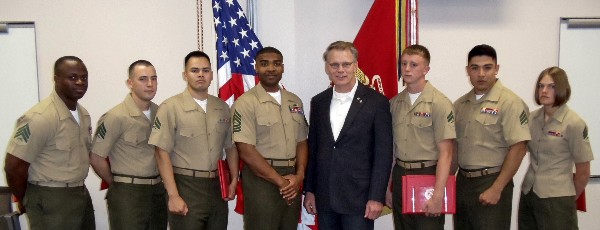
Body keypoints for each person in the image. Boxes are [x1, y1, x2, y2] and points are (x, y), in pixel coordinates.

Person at [303, 41, 393, 230]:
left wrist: (376, 197)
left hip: (359, 199)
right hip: (325, 196)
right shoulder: (319, 102)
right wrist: (310, 190)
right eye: (334, 65)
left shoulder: (377, 102)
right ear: (327, 67)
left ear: (356, 66)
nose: (340, 70)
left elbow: (383, 155)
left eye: (346, 64)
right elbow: (314, 149)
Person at [148, 51, 238, 230]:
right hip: (185, 185)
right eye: (194, 70)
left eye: (205, 70)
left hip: (216, 187)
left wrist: (234, 180)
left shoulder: (221, 107)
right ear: (185, 75)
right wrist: (173, 196)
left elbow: (231, 147)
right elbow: (161, 152)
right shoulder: (171, 107)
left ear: (211, 75)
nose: (200, 75)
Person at [4, 56, 95, 230]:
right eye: (73, 77)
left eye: (84, 77)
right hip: (50, 197)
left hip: (79, 194)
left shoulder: (83, 115)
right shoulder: (40, 118)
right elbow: (14, 166)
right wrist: (25, 199)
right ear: (56, 79)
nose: (80, 82)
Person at [453, 44, 531, 230]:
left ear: (496, 69)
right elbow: (455, 148)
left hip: (492, 180)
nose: (481, 74)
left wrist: (497, 188)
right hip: (463, 182)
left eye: (487, 67)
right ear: (467, 71)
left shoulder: (510, 102)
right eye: (475, 68)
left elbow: (519, 148)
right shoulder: (460, 105)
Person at [231, 47, 308, 230]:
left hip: (291, 177)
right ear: (256, 67)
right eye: (264, 64)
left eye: (276, 64)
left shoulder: (294, 101)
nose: (271, 69)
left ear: (283, 67)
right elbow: (246, 151)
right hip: (262, 179)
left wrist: (299, 176)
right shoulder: (245, 103)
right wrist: (281, 182)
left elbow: (302, 141)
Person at [89, 60, 167, 229]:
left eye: (153, 79)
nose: (150, 84)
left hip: (157, 192)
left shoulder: (160, 113)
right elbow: (96, 157)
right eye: (143, 79)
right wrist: (117, 183)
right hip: (128, 194)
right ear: (130, 83)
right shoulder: (115, 116)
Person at [385, 44, 455, 229]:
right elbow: (392, 150)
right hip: (400, 175)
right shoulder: (394, 104)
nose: (407, 69)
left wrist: (438, 195)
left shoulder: (440, 103)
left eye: (414, 65)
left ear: (426, 69)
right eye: (404, 63)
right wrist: (387, 188)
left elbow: (446, 153)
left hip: (428, 176)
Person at [518, 66, 594, 229]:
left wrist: (566, 199)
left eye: (551, 86)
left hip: (558, 197)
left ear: (561, 89)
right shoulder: (532, 119)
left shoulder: (573, 123)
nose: (544, 91)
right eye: (541, 86)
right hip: (529, 193)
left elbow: (583, 171)